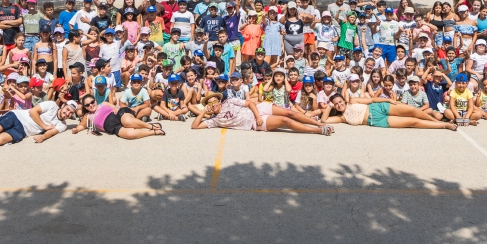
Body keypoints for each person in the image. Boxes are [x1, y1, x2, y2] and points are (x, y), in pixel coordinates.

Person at [192, 92, 334, 135]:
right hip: (254, 123)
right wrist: (203, 112)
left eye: (215, 101)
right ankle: (317, 130)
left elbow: (249, 103)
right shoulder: (215, 120)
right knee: (286, 121)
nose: (214, 104)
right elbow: (194, 126)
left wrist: (258, 115)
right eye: (210, 103)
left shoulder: (228, 101)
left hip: (258, 111)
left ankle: (319, 122)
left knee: (288, 112)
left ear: (219, 100)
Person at [0, 100, 76, 145]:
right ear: (63, 106)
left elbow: (52, 132)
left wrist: (42, 137)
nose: (67, 114)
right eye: (67, 109)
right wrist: (44, 126)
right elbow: (33, 112)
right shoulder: (52, 105)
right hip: (17, 116)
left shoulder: (63, 125)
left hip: (23, 131)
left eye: (70, 113)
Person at [322, 94, 457, 131]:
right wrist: (329, 105)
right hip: (375, 121)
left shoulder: (352, 100)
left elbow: (372, 99)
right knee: (412, 122)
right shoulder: (341, 117)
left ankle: (436, 121)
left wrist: (388, 101)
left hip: (378, 108)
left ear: (344, 101)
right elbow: (324, 121)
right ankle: (444, 125)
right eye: (336, 104)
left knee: (411, 110)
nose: (339, 104)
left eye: (340, 101)